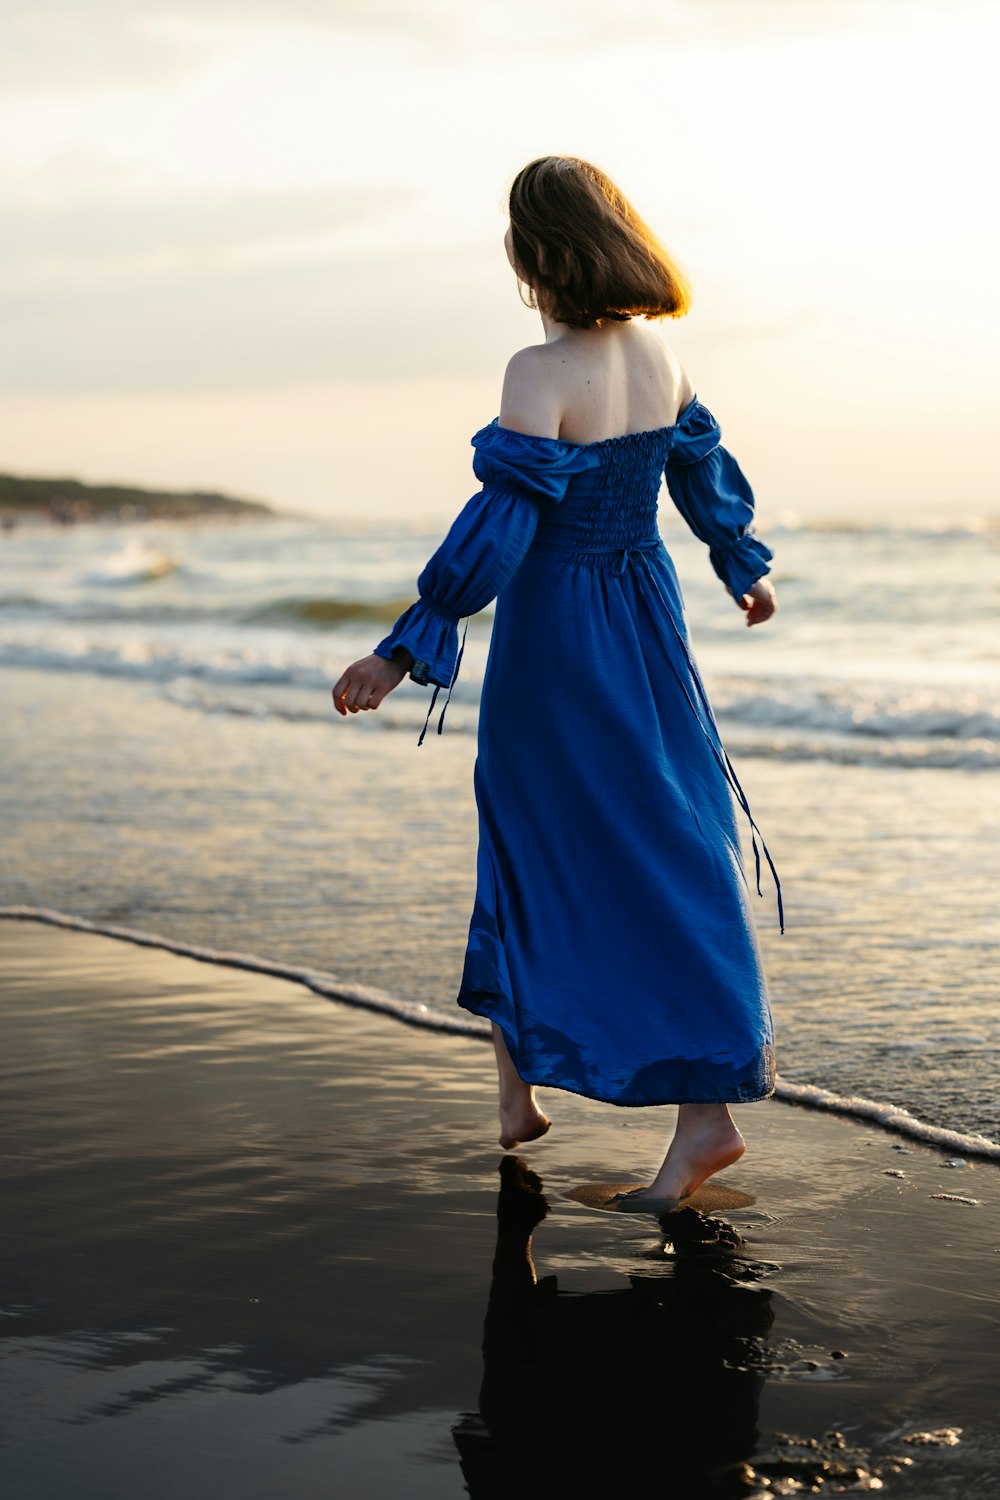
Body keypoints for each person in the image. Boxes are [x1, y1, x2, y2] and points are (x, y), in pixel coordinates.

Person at [332, 155, 781, 1212]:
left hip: (559, 632)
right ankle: (515, 1091)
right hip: (646, 611)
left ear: (536, 252)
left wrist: (402, 648)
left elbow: (502, 524)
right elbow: (699, 469)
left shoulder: (538, 374)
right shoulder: (661, 357)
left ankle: (702, 1118)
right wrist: (740, 564)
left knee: (544, 841)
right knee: (661, 833)